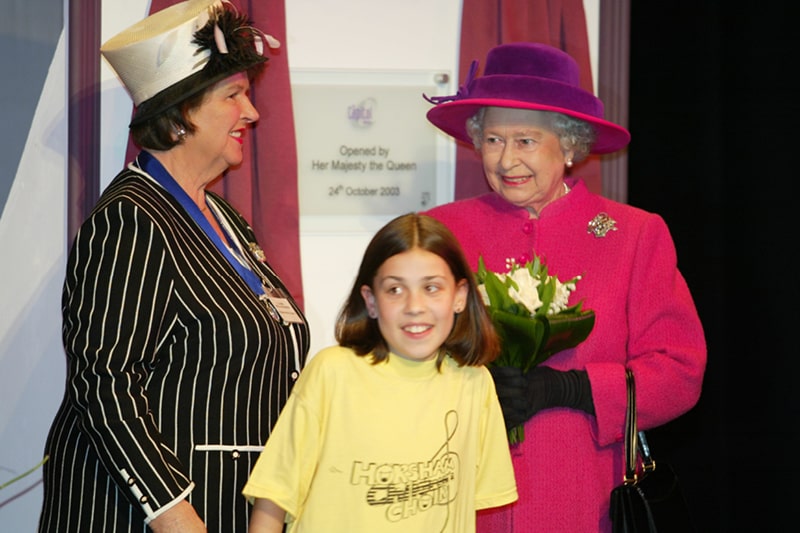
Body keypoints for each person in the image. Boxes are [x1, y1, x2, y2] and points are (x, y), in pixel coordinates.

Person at [37, 1, 309, 532]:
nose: (251, 113)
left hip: (226, 508)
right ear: (182, 112)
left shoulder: (225, 217)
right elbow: (106, 381)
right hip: (144, 518)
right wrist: (172, 513)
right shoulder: (130, 220)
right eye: (233, 96)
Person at [422, 42, 707, 532]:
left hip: (585, 500)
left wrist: (575, 388)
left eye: (525, 141)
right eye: (492, 140)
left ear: (570, 145)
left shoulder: (632, 235)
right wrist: (467, 381)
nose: (506, 159)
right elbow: (402, 354)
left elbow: (679, 371)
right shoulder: (439, 232)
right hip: (464, 503)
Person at [242, 213, 518, 533]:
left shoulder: (475, 382)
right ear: (371, 301)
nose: (415, 306)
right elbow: (273, 499)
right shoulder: (332, 373)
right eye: (395, 290)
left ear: (459, 297)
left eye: (431, 287)